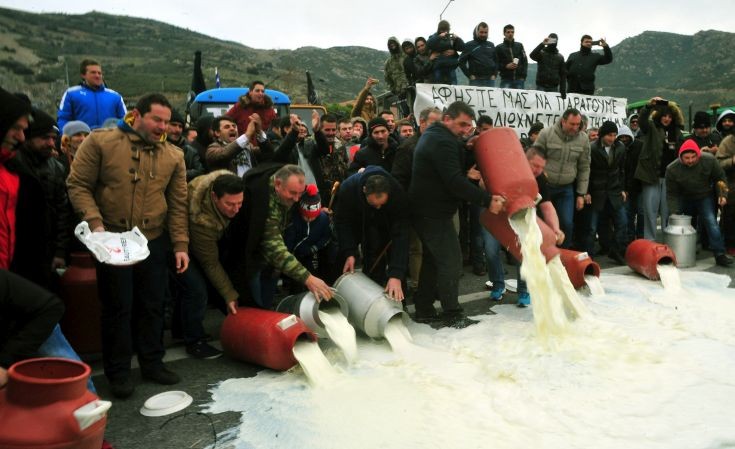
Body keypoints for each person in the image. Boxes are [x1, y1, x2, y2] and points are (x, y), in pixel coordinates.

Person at [67, 93, 189, 398]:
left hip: (153, 240)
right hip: (112, 239)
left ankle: (153, 363)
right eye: (156, 120)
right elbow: (77, 184)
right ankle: (119, 372)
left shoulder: (174, 155)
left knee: (153, 304)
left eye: (167, 121)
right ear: (137, 115)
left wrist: (180, 245)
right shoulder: (100, 141)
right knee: (117, 307)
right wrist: (96, 225)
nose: (163, 127)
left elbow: (177, 203)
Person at [409, 101, 505, 327]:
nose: (464, 130)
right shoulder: (442, 141)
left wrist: (466, 145)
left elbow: (451, 164)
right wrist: (487, 200)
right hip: (432, 212)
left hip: (427, 210)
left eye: (468, 127)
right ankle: (452, 313)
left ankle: (424, 308)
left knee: (434, 261)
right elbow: (454, 181)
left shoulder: (436, 135)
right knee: (452, 263)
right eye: (461, 124)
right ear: (447, 119)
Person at [226, 164, 333, 309]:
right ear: (277, 184)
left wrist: (318, 208)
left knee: (268, 295)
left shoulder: (287, 187)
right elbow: (274, 247)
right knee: (254, 303)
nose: (296, 199)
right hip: (250, 257)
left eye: (300, 194)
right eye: (292, 193)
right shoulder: (264, 203)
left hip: (272, 262)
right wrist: (307, 278)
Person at [483, 146, 564, 307]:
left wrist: (555, 228)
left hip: (520, 218)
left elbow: (547, 206)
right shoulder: (506, 166)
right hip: (495, 216)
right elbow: (482, 185)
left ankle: (524, 290)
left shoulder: (539, 178)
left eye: (542, 167)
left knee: (525, 251)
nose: (538, 170)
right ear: (523, 159)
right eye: (535, 165)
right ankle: (498, 285)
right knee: (491, 251)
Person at [177, 170, 243, 359]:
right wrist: (230, 295)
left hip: (197, 243)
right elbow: (210, 263)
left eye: (240, 203)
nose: (236, 209)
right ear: (214, 197)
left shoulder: (224, 185)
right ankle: (194, 341)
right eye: (230, 204)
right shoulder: (200, 218)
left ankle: (180, 329)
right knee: (196, 288)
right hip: (175, 244)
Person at [15, 108, 73, 283]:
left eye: (53, 138)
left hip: (47, 250)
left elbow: (63, 212)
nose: (50, 143)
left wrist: (60, 252)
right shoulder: (12, 165)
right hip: (17, 249)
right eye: (44, 138)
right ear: (28, 138)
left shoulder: (56, 168)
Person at [335, 167, 409, 300]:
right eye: (374, 204)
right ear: (364, 190)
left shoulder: (397, 192)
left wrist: (396, 274)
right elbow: (343, 223)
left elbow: (401, 234)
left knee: (396, 266)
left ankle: (399, 300)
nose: (378, 207)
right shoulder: (348, 189)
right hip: (362, 225)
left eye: (381, 204)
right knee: (372, 261)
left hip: (388, 226)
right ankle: (371, 302)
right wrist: (349, 252)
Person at [392, 107, 442, 290]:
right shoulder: (407, 148)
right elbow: (398, 180)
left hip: (437, 208)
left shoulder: (440, 144)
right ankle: (420, 286)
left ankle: (434, 285)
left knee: (437, 248)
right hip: (415, 208)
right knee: (417, 249)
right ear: (421, 123)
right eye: (433, 124)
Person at [666, 139, 732, 266]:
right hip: (684, 197)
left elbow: (720, 178)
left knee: (711, 222)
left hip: (704, 196)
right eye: (686, 158)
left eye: (693, 157)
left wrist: (723, 195)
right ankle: (686, 250)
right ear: (681, 157)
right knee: (684, 226)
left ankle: (719, 253)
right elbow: (671, 193)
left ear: (698, 154)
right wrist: (674, 211)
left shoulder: (709, 160)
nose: (690, 160)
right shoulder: (672, 169)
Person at [532, 108, 591, 248]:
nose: (575, 127)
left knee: (567, 223)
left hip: (566, 188)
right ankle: (542, 254)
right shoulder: (546, 134)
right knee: (543, 223)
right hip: (545, 187)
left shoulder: (583, 139)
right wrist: (540, 172)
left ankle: (563, 257)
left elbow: (584, 167)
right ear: (563, 121)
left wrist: (581, 194)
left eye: (578, 124)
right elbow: (534, 158)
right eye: (572, 124)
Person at [633, 97, 685, 240]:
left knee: (667, 212)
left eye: (670, 116)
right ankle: (650, 241)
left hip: (669, 178)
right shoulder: (651, 127)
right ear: (659, 116)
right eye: (664, 116)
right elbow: (642, 120)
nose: (667, 119)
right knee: (650, 211)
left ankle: (667, 240)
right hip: (651, 176)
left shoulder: (678, 133)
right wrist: (649, 106)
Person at [586, 121, 628, 263]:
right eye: (609, 135)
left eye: (615, 135)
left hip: (614, 191)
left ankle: (615, 250)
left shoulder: (620, 147)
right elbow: (587, 172)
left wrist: (622, 188)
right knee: (592, 227)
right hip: (596, 192)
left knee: (622, 222)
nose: (612, 138)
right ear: (603, 135)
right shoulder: (592, 148)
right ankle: (589, 257)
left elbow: (622, 170)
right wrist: (586, 192)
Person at [283, 184, 337, 290]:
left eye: (313, 217)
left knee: (313, 274)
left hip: (312, 253)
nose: (309, 219)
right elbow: (287, 241)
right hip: (294, 256)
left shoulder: (324, 220)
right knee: (296, 282)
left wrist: (314, 248)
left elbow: (326, 237)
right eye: (306, 216)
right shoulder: (293, 220)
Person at [57, 59, 127, 130]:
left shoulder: (115, 96)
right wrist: (65, 136)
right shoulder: (71, 94)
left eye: (99, 73)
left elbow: (125, 120)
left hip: (108, 139)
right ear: (83, 75)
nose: (97, 76)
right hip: (83, 139)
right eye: (93, 73)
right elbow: (63, 119)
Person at [617, 125, 644, 242]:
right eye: (621, 137)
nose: (623, 139)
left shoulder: (639, 146)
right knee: (628, 214)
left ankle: (641, 237)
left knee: (642, 212)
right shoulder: (617, 149)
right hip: (625, 188)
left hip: (639, 186)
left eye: (626, 137)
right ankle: (630, 239)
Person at [167, 109, 205, 181]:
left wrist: (178, 173)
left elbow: (199, 171)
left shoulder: (189, 150)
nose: (177, 129)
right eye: (173, 125)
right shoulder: (156, 145)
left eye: (180, 126)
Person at [458, 22, 498, 87]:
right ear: (477, 32)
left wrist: (494, 75)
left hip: (490, 80)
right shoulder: (469, 45)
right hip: (476, 80)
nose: (483, 34)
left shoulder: (491, 45)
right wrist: (469, 75)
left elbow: (496, 61)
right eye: (481, 32)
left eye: (485, 32)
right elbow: (461, 61)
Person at [427, 20, 464, 85]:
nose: (444, 31)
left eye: (446, 30)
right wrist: (439, 37)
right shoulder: (434, 37)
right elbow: (429, 44)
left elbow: (462, 48)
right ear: (439, 29)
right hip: (438, 66)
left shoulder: (452, 38)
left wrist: (458, 39)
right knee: (439, 86)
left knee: (453, 86)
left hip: (451, 66)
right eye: (442, 29)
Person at [715, 132, 735, 254]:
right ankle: (730, 244)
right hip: (731, 182)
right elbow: (718, 164)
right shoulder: (728, 142)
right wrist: (732, 161)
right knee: (730, 213)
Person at [529, 33, 566, 97]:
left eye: (554, 40)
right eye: (551, 40)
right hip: (541, 86)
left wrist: (562, 90)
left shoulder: (560, 57)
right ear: (548, 40)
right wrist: (542, 44)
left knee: (553, 106)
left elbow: (563, 75)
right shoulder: (541, 54)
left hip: (554, 87)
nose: (553, 42)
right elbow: (532, 55)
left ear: (557, 41)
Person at [495, 24, 527, 89]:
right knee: (505, 99)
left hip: (519, 80)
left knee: (519, 99)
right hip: (506, 79)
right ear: (504, 33)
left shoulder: (519, 46)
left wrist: (523, 77)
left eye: (512, 32)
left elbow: (525, 61)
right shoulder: (499, 48)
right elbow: (496, 64)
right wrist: (506, 66)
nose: (510, 34)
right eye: (508, 32)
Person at [384, 37, 409, 115]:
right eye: (390, 44)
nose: (392, 45)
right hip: (400, 92)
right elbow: (387, 77)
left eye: (393, 43)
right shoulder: (389, 62)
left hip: (411, 88)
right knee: (406, 113)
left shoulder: (406, 56)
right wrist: (393, 89)